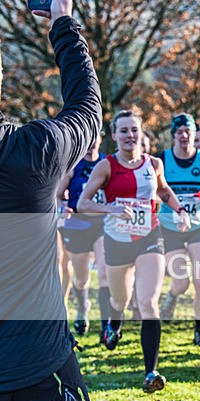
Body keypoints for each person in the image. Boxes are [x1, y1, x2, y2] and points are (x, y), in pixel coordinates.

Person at [0, 2, 108, 401]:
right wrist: (63, 23)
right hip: (42, 366)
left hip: (37, 362)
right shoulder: (34, 150)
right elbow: (87, 108)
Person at [79, 110, 191, 393]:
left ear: (142, 134)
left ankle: (151, 372)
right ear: (114, 135)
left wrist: (180, 210)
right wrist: (112, 208)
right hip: (116, 241)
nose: (130, 136)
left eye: (134, 130)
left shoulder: (153, 164)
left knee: (147, 302)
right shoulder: (106, 166)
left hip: (149, 237)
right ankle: (113, 324)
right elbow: (83, 203)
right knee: (120, 299)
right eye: (124, 131)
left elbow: (163, 191)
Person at [157, 113, 200, 348]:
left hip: (198, 226)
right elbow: (154, 190)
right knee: (181, 283)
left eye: (187, 132)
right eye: (179, 132)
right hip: (170, 227)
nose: (184, 136)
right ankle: (172, 295)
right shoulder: (162, 159)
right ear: (173, 135)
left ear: (193, 134)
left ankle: (199, 331)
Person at [56, 135, 109, 340]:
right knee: (81, 277)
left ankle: (107, 325)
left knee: (104, 271)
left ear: (100, 140)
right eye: (88, 140)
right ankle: (82, 307)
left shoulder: (106, 163)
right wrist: (63, 206)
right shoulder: (74, 166)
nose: (91, 145)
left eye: (95, 140)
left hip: (101, 224)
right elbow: (58, 194)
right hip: (77, 225)